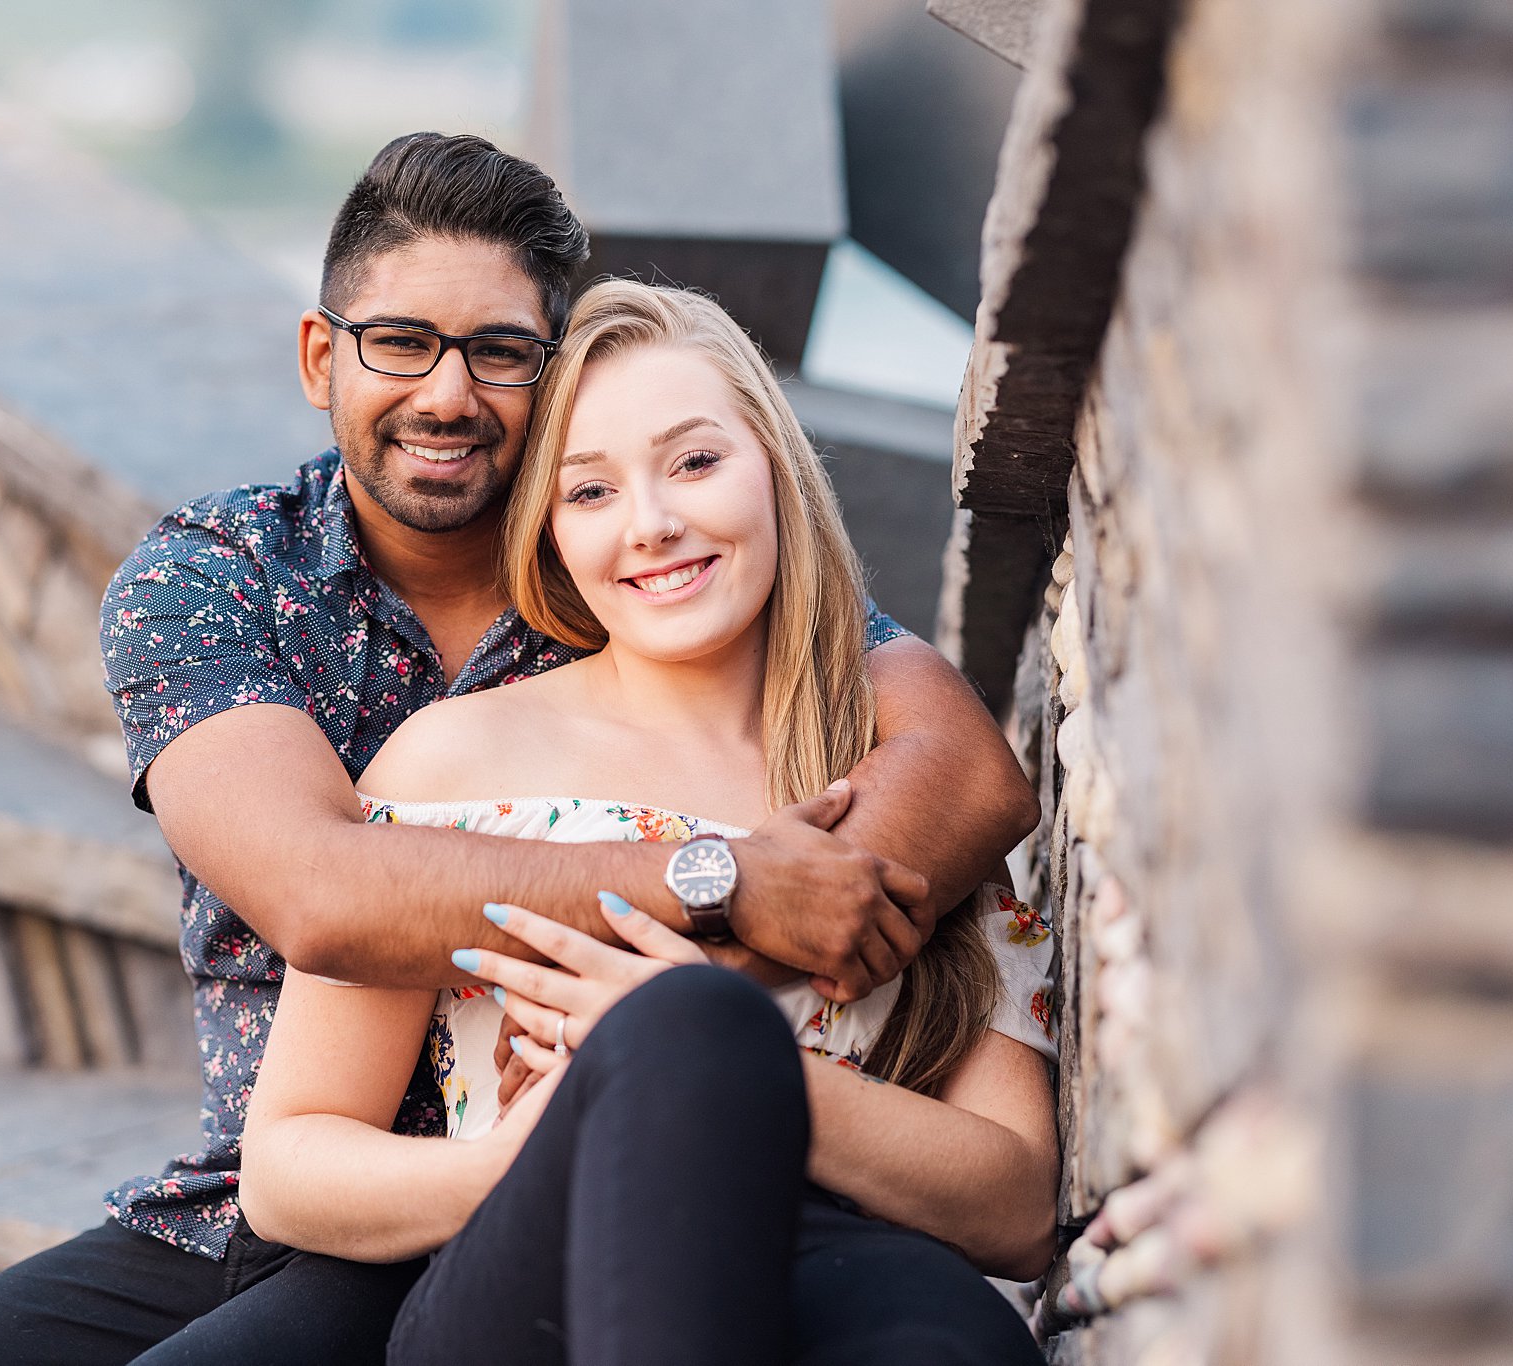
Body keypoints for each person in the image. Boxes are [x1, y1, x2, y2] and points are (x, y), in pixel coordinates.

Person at [0, 134, 1042, 1366]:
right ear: (325, 354)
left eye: (497, 352)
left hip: (631, 1201)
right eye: (400, 343)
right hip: (292, 1202)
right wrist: (725, 899)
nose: (445, 393)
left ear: (549, 377)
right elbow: (324, 897)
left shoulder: (657, 577)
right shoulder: (219, 581)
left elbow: (955, 763)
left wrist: (704, 1046)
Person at [238, 280, 1058, 1366]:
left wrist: (719, 1055)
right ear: (551, 537)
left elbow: (1017, 1205)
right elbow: (288, 1163)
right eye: (590, 492)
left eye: (695, 461)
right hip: (535, 1254)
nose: (651, 523)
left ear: (774, 467)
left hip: (835, 1254)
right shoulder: (451, 760)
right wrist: (526, 1148)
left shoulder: (896, 788)